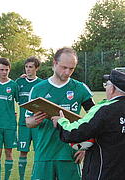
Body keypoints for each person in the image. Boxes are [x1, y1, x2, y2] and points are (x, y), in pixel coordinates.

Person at [52, 70, 125, 180]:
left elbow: (74, 133)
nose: (106, 88)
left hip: (105, 174)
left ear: (112, 88)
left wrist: (62, 122)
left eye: (107, 84)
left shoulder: (105, 111)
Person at [26, 47, 95, 180]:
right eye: (64, 67)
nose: (67, 72)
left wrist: (86, 146)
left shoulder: (80, 88)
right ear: (55, 63)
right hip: (44, 153)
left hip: (70, 155)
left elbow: (96, 119)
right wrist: (35, 121)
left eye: (71, 69)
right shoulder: (38, 89)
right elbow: (28, 122)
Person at [16, 57, 42, 180]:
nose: (28, 69)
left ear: (36, 68)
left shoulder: (42, 84)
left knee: (39, 151)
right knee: (23, 151)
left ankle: (35, 176)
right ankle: (21, 177)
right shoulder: (19, 82)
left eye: (31, 67)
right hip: (23, 123)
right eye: (26, 67)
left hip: (38, 124)